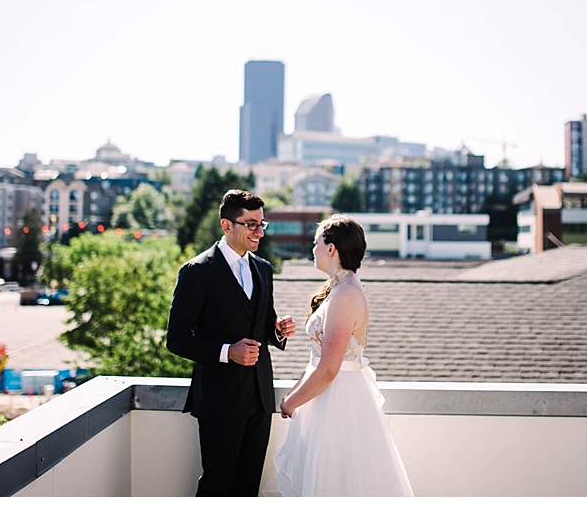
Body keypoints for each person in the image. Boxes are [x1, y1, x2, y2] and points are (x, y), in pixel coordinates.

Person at [166, 189, 296, 497]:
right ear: (227, 226)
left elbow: (263, 325)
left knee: (248, 487)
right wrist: (227, 352)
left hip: (260, 398)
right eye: (251, 224)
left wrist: (277, 331)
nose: (259, 232)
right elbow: (176, 339)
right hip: (218, 400)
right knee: (217, 484)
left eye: (262, 224)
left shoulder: (263, 269)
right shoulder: (197, 271)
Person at [274, 214, 414, 497]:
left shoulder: (346, 294)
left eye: (316, 243)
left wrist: (291, 402)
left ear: (331, 248)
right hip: (324, 398)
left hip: (339, 401)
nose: (312, 249)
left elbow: (328, 368)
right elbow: (316, 359)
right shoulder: (337, 289)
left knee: (336, 483)